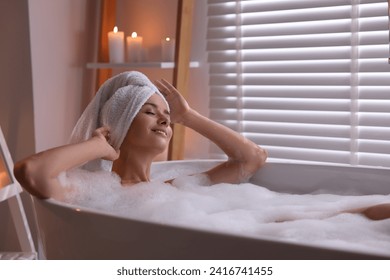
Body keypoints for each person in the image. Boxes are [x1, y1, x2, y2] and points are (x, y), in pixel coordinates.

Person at [14, 71, 389, 221]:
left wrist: (189, 116)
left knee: (363, 211)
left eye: (166, 115)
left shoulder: (176, 186)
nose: (165, 120)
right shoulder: (89, 192)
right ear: (120, 126)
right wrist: (98, 145)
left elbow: (252, 158)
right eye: (149, 112)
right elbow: (31, 171)